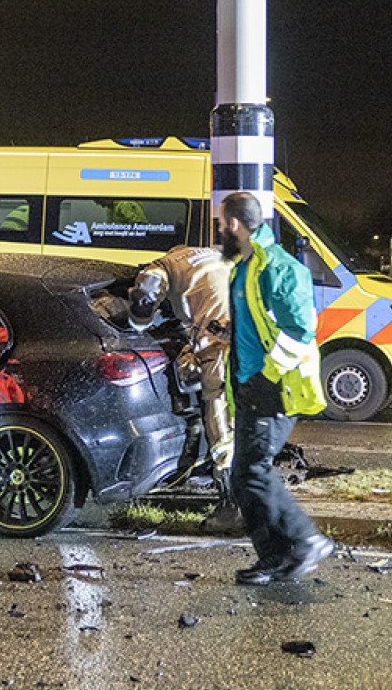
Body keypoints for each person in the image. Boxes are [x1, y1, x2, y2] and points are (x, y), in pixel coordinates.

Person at [218, 192, 334, 586]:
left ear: (235, 224)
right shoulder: (244, 268)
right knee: (243, 474)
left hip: (275, 387)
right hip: (252, 384)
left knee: (251, 470)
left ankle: (305, 540)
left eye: (222, 223)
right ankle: (274, 558)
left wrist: (267, 376)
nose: (220, 230)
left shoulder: (278, 268)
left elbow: (301, 330)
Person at [128, 245, 240, 533]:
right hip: (248, 333)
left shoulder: (163, 267)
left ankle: (231, 505)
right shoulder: (207, 256)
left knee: (220, 415)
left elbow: (147, 293)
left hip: (221, 340)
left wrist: (136, 325)